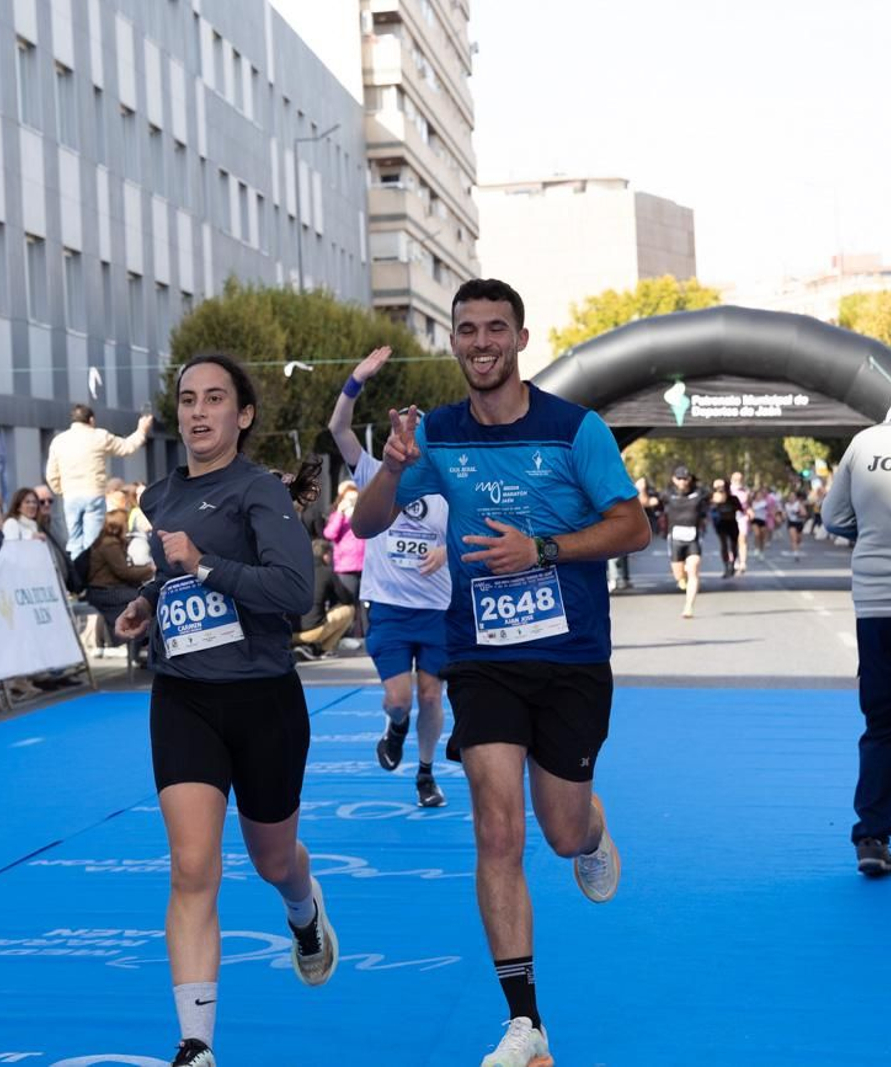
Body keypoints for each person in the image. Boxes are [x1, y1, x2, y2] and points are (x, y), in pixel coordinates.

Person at [352, 279, 650, 1067]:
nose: (480, 342)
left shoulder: (574, 429)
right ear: (453, 341)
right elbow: (368, 522)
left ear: (521, 337)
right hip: (480, 658)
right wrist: (389, 467)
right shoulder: (437, 435)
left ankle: (591, 826)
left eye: (495, 329)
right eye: (466, 330)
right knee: (495, 826)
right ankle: (526, 1023)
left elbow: (634, 523)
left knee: (558, 831)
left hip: (571, 657)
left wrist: (543, 548)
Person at [111, 353, 336, 1067]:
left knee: (272, 859)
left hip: (262, 697)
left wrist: (205, 564)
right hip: (184, 698)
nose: (198, 412)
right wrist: (148, 601)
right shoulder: (159, 495)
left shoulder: (259, 491)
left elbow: (295, 590)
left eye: (215, 399)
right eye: (187, 399)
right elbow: (175, 570)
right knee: (192, 865)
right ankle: (196, 1044)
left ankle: (303, 908)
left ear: (242, 415)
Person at [333, 346, 454, 809]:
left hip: (436, 609)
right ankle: (395, 726)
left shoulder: (444, 487)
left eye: (415, 429)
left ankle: (425, 775)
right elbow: (338, 428)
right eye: (400, 428)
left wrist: (446, 550)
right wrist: (355, 380)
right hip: (387, 607)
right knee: (400, 699)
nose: (408, 435)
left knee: (431, 694)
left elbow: (468, 534)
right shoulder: (370, 471)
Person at [821, 390, 891, 877]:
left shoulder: (866, 442)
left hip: (878, 603)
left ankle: (871, 834)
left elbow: (832, 517)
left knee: (884, 724)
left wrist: (869, 534)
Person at [44, 403, 152, 557]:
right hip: (93, 493)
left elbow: (51, 474)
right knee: (92, 542)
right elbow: (127, 447)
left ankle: (76, 574)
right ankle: (90, 575)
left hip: (71, 496)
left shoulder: (59, 441)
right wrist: (142, 430)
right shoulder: (100, 436)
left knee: (74, 541)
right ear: (91, 420)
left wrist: (62, 490)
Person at [86, 508, 154, 662]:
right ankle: (140, 642)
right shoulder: (109, 545)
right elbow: (124, 572)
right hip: (104, 591)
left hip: (108, 588)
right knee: (144, 599)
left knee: (142, 597)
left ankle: (140, 645)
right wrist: (150, 569)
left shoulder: (109, 542)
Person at [291, 539, 355, 659]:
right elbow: (347, 599)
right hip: (312, 631)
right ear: (325, 555)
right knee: (349, 610)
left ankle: (303, 647)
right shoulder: (326, 572)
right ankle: (324, 649)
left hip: (289, 632)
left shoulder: (295, 571)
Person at [664, 466, 706, 618]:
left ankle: (688, 607)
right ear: (674, 479)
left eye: (685, 478)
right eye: (679, 478)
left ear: (689, 479)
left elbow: (716, 499)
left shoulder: (699, 493)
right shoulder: (668, 494)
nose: (682, 481)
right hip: (675, 538)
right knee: (679, 574)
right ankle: (681, 579)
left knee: (693, 568)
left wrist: (721, 489)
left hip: (693, 537)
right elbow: (650, 502)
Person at [709, 479, 742, 579]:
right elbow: (710, 509)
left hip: (732, 523)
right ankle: (726, 566)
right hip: (721, 523)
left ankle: (732, 564)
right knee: (724, 544)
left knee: (733, 545)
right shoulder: (714, 498)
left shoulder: (733, 499)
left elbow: (740, 508)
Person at [784, 489, 808, 558]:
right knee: (793, 538)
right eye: (790, 496)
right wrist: (783, 516)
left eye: (793, 496)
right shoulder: (787, 505)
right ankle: (796, 553)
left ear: (795, 497)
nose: (791, 498)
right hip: (791, 523)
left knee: (798, 539)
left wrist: (799, 513)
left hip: (799, 523)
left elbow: (805, 513)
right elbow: (784, 514)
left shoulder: (798, 504)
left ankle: (796, 547)